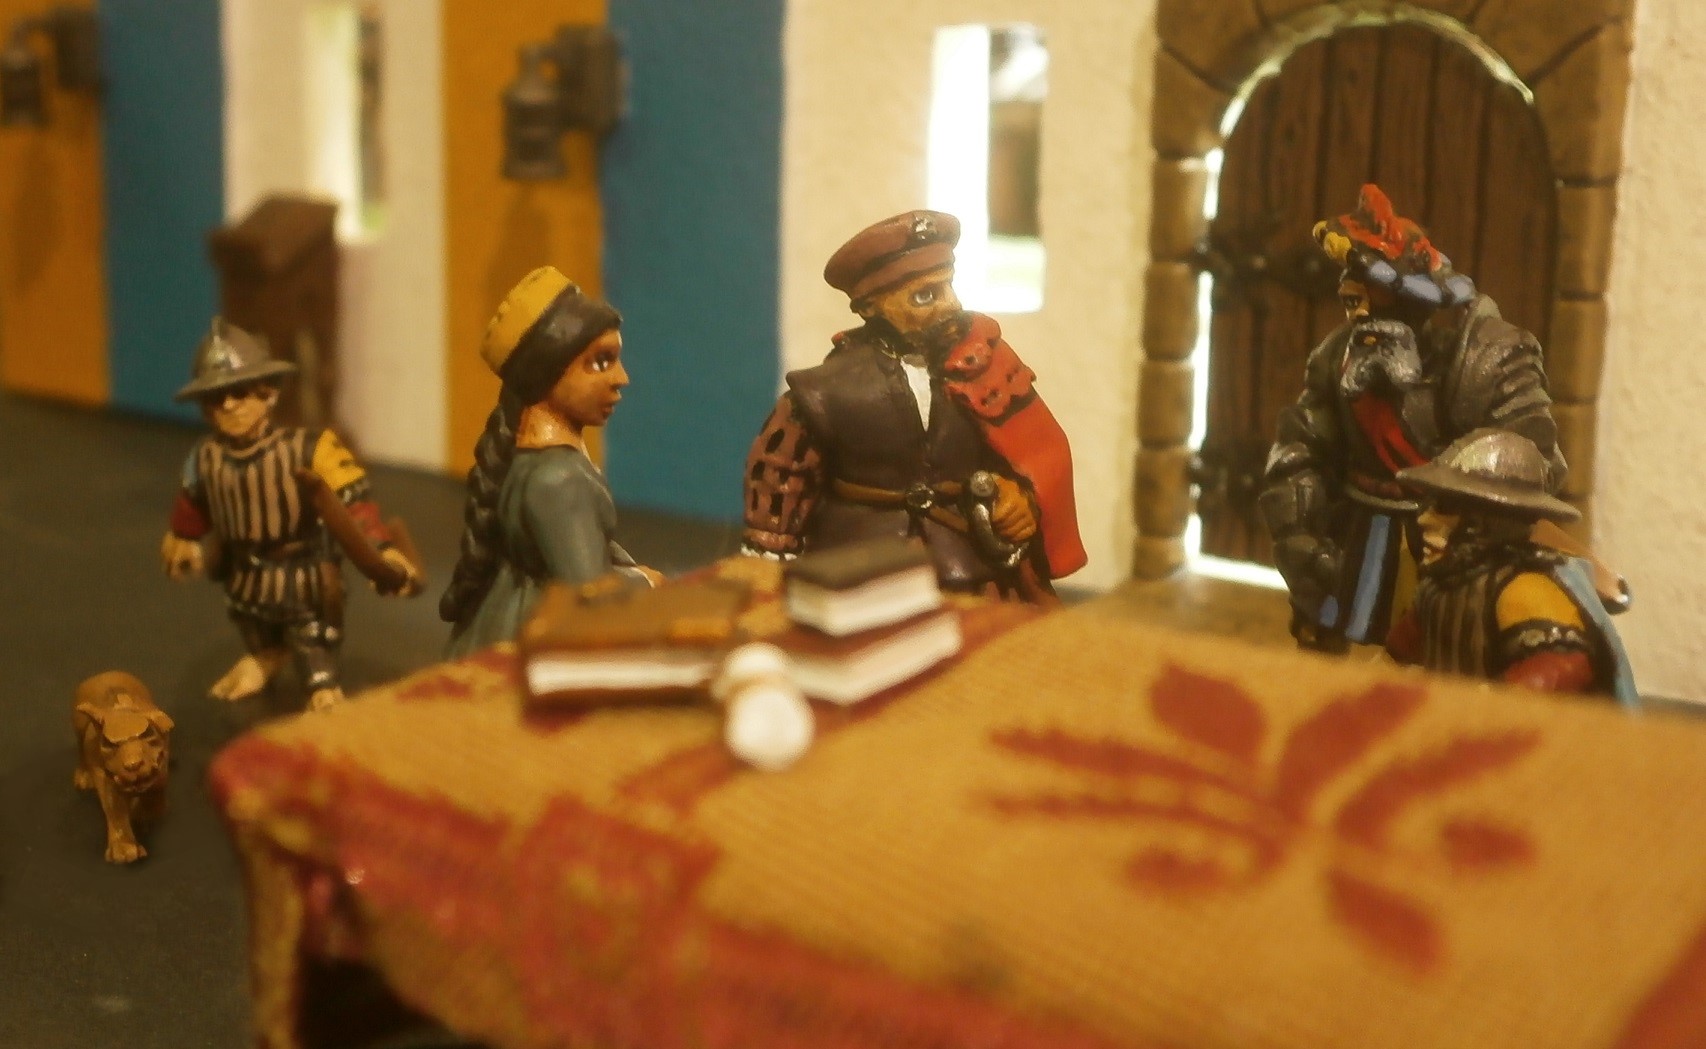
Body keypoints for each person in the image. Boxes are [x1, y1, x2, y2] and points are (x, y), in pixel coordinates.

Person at [1261, 184, 1566, 653]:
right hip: (1352, 536)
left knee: (1435, 651)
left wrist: (1472, 541)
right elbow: (1300, 446)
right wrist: (1298, 532)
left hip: (1442, 541)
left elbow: (1534, 465)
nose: (1360, 313)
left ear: (1413, 301)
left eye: (1373, 297)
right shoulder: (1335, 357)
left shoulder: (1488, 362)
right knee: (1324, 637)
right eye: (1352, 300)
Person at [741, 210, 1085, 601]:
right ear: (870, 307)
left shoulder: (984, 368)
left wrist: (1017, 497)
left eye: (949, 286)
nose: (951, 305)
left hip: (968, 561)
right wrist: (770, 560)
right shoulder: (827, 390)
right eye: (925, 296)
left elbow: (1030, 448)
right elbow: (781, 472)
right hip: (857, 563)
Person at [161, 319, 420, 711]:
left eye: (238, 392)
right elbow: (193, 503)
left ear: (267, 393)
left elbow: (355, 503)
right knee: (254, 627)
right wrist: (183, 537)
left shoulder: (312, 450)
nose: (228, 405)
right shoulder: (204, 458)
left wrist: (381, 550)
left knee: (311, 638)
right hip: (244, 573)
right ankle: (265, 657)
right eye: (215, 397)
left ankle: (321, 684)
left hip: (303, 573)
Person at [441, 267, 661, 656]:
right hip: (534, 640)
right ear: (546, 373)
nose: (622, 378)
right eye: (601, 362)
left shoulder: (533, 458)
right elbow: (589, 593)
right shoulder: (559, 479)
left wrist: (629, 569)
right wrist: (645, 582)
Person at [1385, 429, 1636, 704]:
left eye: (1446, 508)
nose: (1424, 520)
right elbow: (1400, 649)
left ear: (1486, 521)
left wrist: (1490, 702)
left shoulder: (1524, 589)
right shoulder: (1438, 587)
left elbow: (1565, 665)